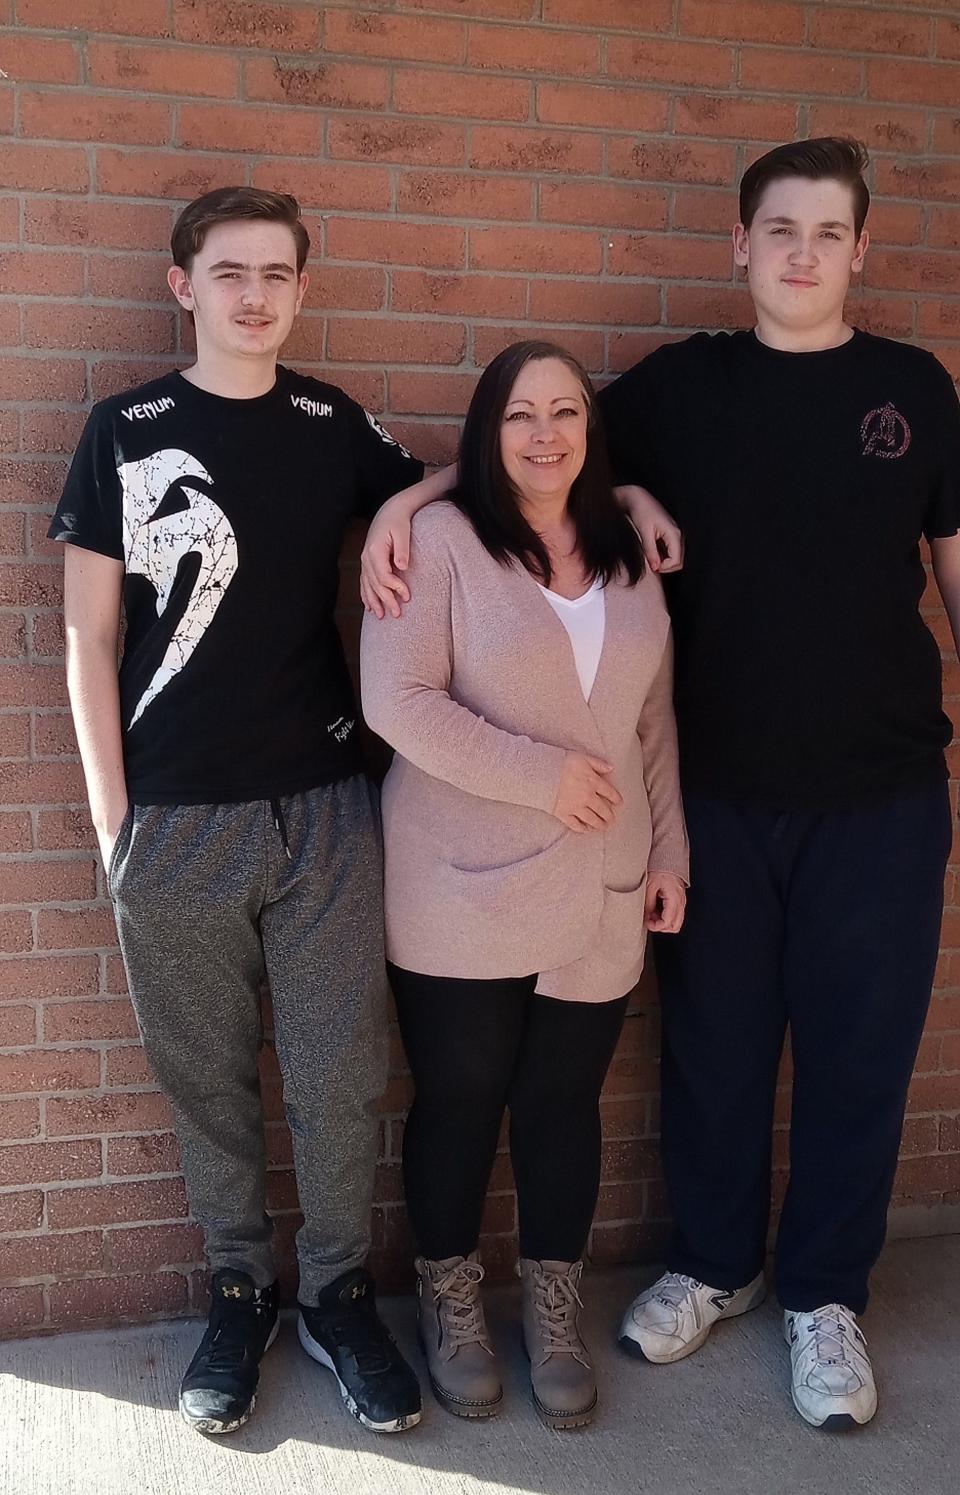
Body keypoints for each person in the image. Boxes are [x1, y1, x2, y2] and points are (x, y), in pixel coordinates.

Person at [359, 138, 960, 1432]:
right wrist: (400, 509)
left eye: (829, 231)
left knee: (861, 1050)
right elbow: (525, 449)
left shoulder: (917, 389)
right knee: (714, 1048)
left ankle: (824, 1296)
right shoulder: (682, 386)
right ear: (739, 248)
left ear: (862, 250)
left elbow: (955, 559)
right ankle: (714, 1264)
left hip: (884, 790)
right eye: (779, 229)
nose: (803, 252)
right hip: (720, 793)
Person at [50, 187, 424, 1437]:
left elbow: (447, 488)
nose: (253, 294)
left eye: (276, 273)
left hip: (323, 809)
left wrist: (404, 511)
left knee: (337, 1073)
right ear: (183, 285)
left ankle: (333, 1293)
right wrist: (116, 825)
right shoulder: (123, 430)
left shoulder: (332, 424)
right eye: (227, 272)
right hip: (174, 821)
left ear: (302, 289)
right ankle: (238, 1289)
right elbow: (87, 639)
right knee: (206, 1079)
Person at [359, 340, 688, 1430]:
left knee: (561, 1106)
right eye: (519, 415)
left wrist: (671, 848)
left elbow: (651, 722)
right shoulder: (440, 542)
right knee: (458, 1101)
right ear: (486, 433)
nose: (545, 433)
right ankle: (451, 1300)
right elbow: (397, 699)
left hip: (603, 883)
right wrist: (542, 777)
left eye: (566, 412)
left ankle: (552, 1305)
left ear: (591, 431)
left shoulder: (627, 554)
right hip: (461, 883)